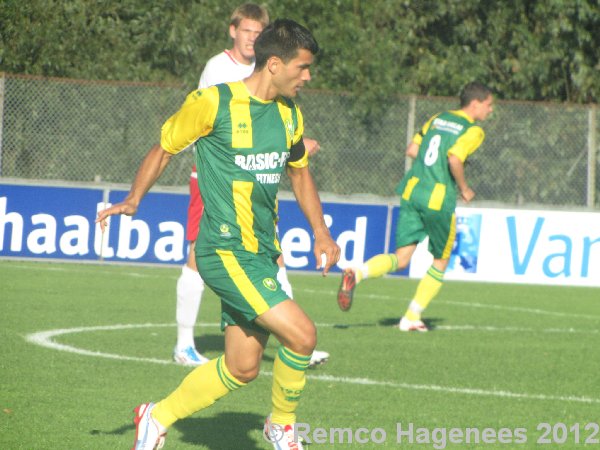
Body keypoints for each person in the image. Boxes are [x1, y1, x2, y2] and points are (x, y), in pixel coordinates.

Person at [97, 19, 340, 450]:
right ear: (274, 64)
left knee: (242, 368)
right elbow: (165, 147)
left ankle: (156, 417)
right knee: (302, 335)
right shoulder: (213, 103)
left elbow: (300, 173)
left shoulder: (290, 115)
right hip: (224, 249)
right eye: (302, 68)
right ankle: (281, 426)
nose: (308, 77)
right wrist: (134, 199)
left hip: (261, 251)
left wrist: (320, 231)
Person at [175, 3, 329, 368]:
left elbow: (281, 148)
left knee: (242, 368)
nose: (252, 38)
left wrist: (287, 145)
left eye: (258, 33)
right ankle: (184, 343)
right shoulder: (219, 68)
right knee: (199, 256)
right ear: (234, 31)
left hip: (254, 183)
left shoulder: (279, 95)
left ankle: (292, 332)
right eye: (247, 31)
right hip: (217, 180)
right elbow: (213, 126)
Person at [337, 81, 494, 332]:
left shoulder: (438, 118)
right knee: (441, 260)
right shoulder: (473, 130)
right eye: (488, 104)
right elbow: (454, 158)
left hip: (412, 191)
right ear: (475, 104)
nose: (490, 110)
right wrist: (464, 188)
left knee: (401, 258)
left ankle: (358, 272)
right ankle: (411, 316)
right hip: (438, 198)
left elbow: (412, 150)